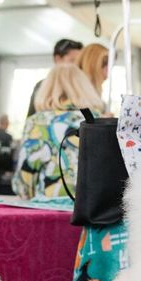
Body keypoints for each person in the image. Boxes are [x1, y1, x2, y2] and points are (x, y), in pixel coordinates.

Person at [14, 65, 104, 199]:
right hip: (93, 209)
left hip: (49, 208)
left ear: (47, 89)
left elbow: (24, 182)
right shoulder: (99, 121)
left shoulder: (38, 122)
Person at [26, 38, 84, 117]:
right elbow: (31, 118)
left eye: (79, 62)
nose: (77, 66)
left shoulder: (83, 87)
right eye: (72, 60)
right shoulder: (42, 86)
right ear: (57, 59)